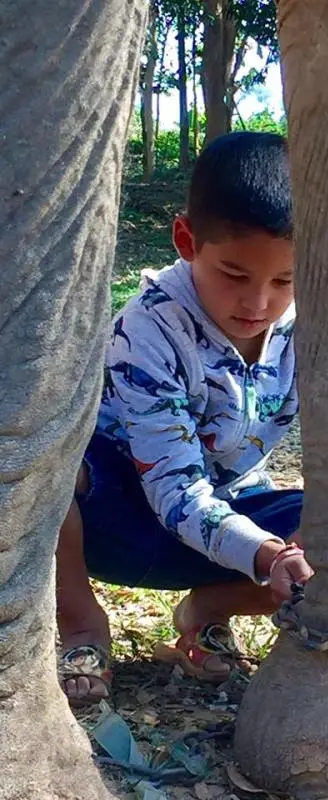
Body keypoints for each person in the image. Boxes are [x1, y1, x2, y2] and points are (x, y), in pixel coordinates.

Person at [57, 131, 313, 705]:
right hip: (118, 519)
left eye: (283, 281)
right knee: (50, 476)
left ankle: (205, 611)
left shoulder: (310, 327)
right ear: (185, 240)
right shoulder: (148, 328)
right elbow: (172, 486)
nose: (258, 304)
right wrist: (268, 554)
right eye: (234, 274)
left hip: (229, 521)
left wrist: (292, 548)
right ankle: (79, 624)